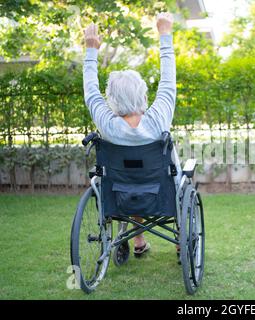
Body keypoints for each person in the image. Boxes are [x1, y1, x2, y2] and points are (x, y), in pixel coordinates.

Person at [83, 12, 177, 257]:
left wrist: (91, 50)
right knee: (169, 174)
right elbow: (168, 79)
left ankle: (138, 240)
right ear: (143, 95)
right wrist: (165, 35)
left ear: (112, 99)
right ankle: (180, 242)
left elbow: (91, 91)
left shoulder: (108, 125)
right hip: (160, 192)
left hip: (121, 193)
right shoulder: (159, 118)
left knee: (131, 178)